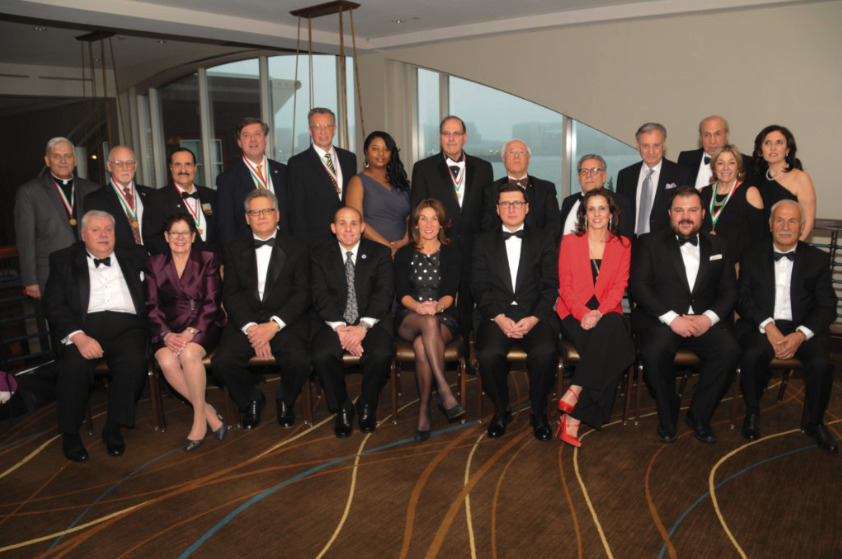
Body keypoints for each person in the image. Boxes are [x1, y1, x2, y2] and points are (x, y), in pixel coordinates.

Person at [630, 186, 740, 444]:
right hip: (662, 320)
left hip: (705, 321)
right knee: (655, 353)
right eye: (679, 210)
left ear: (703, 214)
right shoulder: (649, 242)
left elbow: (729, 291)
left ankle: (699, 415)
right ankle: (667, 417)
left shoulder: (719, 244)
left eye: (692, 210)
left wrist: (708, 318)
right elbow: (640, 287)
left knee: (729, 352)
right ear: (670, 213)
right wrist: (672, 319)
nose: (685, 216)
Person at [42, 210, 149, 462]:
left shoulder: (136, 255)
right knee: (73, 367)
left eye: (108, 230)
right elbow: (53, 304)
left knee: (135, 361)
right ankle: (70, 433)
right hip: (83, 327)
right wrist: (78, 337)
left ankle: (113, 425)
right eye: (95, 230)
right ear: (82, 234)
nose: (103, 235)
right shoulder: (63, 259)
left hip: (127, 327)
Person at [736, 200, 838, 453]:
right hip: (761, 324)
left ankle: (815, 422)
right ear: (770, 225)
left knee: (821, 365)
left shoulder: (818, 260)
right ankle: (752, 412)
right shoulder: (751, 255)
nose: (785, 226)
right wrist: (768, 326)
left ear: (802, 227)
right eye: (779, 220)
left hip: (803, 328)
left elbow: (827, 307)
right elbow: (743, 298)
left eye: (792, 221)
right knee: (751, 355)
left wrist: (800, 335)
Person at [211, 190, 310, 429]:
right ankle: (251, 399)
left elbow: (303, 293)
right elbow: (231, 293)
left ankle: (285, 399)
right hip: (246, 322)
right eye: (255, 212)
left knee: (301, 361)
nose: (261, 216)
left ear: (277, 215)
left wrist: (274, 325)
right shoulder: (233, 249)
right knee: (222, 363)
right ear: (247, 218)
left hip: (285, 322)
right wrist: (252, 328)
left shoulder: (299, 247)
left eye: (266, 210)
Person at [472, 184, 560, 442]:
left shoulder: (544, 238)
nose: (512, 208)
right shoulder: (482, 241)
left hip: (534, 315)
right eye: (506, 204)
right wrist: (499, 318)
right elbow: (477, 286)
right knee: (488, 354)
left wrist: (534, 318)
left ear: (527, 207)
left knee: (545, 352)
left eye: (517, 203)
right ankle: (502, 410)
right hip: (495, 315)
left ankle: (539, 412)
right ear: (497, 209)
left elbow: (550, 285)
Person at [556, 188, 635, 447]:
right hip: (572, 312)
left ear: (611, 213)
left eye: (602, 208)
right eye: (591, 209)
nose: (597, 214)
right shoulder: (570, 242)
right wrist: (583, 314)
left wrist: (599, 312)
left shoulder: (623, 244)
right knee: (620, 350)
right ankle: (579, 415)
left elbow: (619, 286)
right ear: (584, 214)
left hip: (606, 310)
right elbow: (564, 287)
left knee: (611, 325)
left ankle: (576, 392)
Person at [411, 116, 493, 360]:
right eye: (446, 134)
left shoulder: (484, 168)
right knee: (439, 303)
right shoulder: (423, 168)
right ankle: (439, 355)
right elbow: (417, 213)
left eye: (456, 134)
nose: (451, 138)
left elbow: (488, 213)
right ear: (440, 138)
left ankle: (468, 356)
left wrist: (486, 247)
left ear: (465, 138)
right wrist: (419, 251)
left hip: (473, 249)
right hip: (438, 249)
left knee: (469, 304)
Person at [310, 207, 395, 438]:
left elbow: (384, 293)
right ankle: (343, 407)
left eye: (354, 223)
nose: (348, 229)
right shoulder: (318, 255)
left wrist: (362, 327)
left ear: (362, 227)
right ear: (333, 228)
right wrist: (340, 329)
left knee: (380, 353)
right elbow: (319, 296)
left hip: (371, 320)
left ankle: (367, 404)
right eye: (342, 223)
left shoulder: (380, 252)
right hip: (331, 322)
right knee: (322, 355)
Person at [145, 211, 227, 451]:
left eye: (185, 233)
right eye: (174, 233)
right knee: (167, 362)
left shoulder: (209, 258)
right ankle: (209, 412)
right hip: (168, 327)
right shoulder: (154, 263)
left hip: (204, 323)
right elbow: (151, 304)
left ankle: (199, 421)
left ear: (193, 236)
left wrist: (192, 331)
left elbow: (213, 301)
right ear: (166, 236)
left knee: (190, 355)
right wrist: (167, 334)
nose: (179, 237)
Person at [394, 198, 464, 442]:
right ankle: (444, 390)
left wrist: (436, 307)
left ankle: (424, 408)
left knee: (422, 345)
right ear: (415, 223)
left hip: (443, 313)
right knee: (427, 323)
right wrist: (419, 307)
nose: (428, 223)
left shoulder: (453, 252)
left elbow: (449, 293)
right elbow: (402, 294)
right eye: (423, 217)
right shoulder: (404, 253)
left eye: (434, 218)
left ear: (442, 223)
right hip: (409, 316)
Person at [14, 137, 100, 299]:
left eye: (68, 156)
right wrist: (30, 280)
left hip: (90, 270)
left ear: (74, 160)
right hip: (51, 273)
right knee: (61, 322)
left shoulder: (92, 189)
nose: (63, 161)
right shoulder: (29, 192)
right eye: (56, 156)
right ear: (47, 160)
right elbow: (25, 240)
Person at [288, 108, 357, 248]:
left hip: (348, 238)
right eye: (317, 127)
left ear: (335, 129)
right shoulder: (298, 164)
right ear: (310, 131)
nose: (323, 131)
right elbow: (296, 212)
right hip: (316, 243)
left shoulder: (349, 158)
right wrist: (303, 248)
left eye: (328, 126)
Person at [216, 118, 288, 245]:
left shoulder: (284, 172)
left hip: (286, 247)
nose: (253, 139)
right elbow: (226, 226)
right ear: (239, 142)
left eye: (257, 134)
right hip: (248, 253)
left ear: (265, 139)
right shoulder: (227, 179)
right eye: (246, 135)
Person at [617, 123, 693, 237]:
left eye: (656, 145)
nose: (651, 151)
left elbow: (685, 212)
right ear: (638, 145)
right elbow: (620, 214)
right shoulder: (625, 175)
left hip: (666, 243)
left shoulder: (681, 174)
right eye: (645, 145)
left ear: (664, 144)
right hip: (632, 245)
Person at [345, 131, 411, 258]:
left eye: (386, 149)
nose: (381, 153)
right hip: (372, 252)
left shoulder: (400, 181)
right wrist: (387, 247)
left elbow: (411, 218)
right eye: (375, 149)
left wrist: (403, 242)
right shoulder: (358, 181)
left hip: (402, 251)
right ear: (366, 151)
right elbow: (356, 222)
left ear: (391, 153)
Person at [481, 139, 560, 241]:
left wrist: (540, 248)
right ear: (504, 159)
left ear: (529, 159)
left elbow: (553, 225)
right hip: (500, 251)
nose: (516, 156)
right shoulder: (490, 190)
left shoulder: (546, 189)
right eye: (512, 152)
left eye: (521, 152)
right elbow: (487, 226)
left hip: (538, 251)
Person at [144, 148, 218, 255]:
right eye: (178, 164)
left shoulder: (211, 195)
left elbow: (219, 231)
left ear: (195, 167)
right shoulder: (156, 199)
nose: (183, 170)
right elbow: (152, 239)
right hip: (178, 266)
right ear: (171, 167)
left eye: (188, 164)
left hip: (212, 264)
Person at [699, 145, 764, 261]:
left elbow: (760, 237)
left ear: (739, 167)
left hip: (738, 266)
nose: (725, 168)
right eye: (720, 163)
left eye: (731, 163)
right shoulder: (702, 192)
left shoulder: (750, 193)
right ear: (714, 167)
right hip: (706, 264)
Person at [750, 125, 817, 240]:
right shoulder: (755, 178)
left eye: (779, 143)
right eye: (767, 143)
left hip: (786, 247)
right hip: (757, 247)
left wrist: (790, 251)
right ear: (760, 150)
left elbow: (808, 222)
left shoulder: (800, 178)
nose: (773, 148)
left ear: (787, 149)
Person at [85, 145, 155, 248]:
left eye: (129, 163)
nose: (125, 168)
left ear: (135, 166)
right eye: (118, 163)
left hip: (153, 261)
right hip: (118, 261)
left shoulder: (152, 195)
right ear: (109, 166)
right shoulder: (94, 200)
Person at [560, 154, 634, 239]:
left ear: (604, 177)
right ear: (579, 178)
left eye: (594, 170)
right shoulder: (568, 201)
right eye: (584, 171)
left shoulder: (620, 202)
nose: (588, 175)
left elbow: (624, 240)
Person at [678, 116, 753, 190]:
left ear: (727, 136)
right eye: (707, 135)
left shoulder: (746, 163)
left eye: (717, 134)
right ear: (700, 137)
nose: (712, 141)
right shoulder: (686, 159)